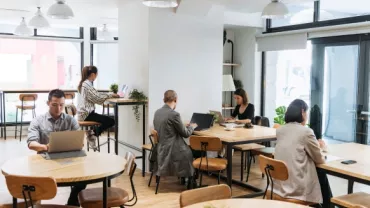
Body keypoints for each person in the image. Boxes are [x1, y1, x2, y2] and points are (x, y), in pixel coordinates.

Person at [27, 89, 85, 206]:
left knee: (83, 178)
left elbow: (80, 142)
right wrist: (45, 147)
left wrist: (79, 143)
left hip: (68, 159)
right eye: (54, 105)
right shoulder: (38, 121)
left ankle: (72, 202)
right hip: (45, 160)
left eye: (61, 105)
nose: (58, 109)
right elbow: (31, 143)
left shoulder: (71, 120)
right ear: (48, 103)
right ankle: (37, 204)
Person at [274, 99, 332, 208]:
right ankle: (328, 205)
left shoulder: (280, 130)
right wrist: (321, 146)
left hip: (279, 186)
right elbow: (319, 159)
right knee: (321, 172)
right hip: (297, 190)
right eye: (307, 113)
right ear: (302, 112)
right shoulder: (306, 132)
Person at [152, 90, 197, 187]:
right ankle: (191, 181)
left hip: (161, 148)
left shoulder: (157, 112)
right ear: (175, 99)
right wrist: (192, 126)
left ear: (164, 99)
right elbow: (186, 134)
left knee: (188, 150)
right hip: (172, 150)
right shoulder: (174, 114)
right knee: (189, 152)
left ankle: (184, 179)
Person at [77, 66, 119, 149]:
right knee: (111, 121)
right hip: (86, 115)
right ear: (93, 74)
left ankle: (92, 133)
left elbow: (96, 96)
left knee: (108, 120)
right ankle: (92, 134)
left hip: (85, 113)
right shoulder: (87, 85)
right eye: (96, 75)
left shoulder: (85, 84)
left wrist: (108, 95)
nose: (96, 77)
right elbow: (98, 98)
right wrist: (111, 94)